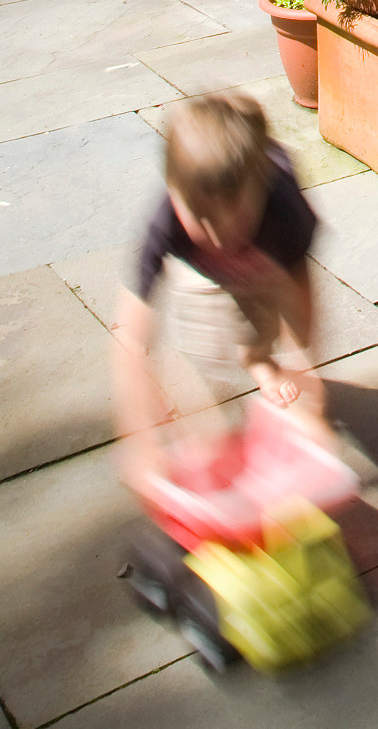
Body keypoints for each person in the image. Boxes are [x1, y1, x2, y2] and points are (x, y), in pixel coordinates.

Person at [113, 91, 326, 479]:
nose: (218, 233)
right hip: (214, 270)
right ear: (172, 191)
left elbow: (301, 296)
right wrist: (141, 439)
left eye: (235, 215)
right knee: (209, 336)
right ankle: (253, 355)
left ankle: (259, 358)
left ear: (259, 191)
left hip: (267, 264)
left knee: (261, 302)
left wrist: (305, 378)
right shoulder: (166, 220)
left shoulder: (282, 211)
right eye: (201, 217)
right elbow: (130, 336)